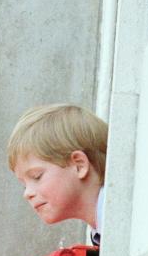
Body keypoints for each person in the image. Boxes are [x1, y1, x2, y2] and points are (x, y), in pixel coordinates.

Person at [7, 103, 108, 245]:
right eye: (24, 185)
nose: (27, 194)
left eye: (37, 176)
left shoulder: (125, 221)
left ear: (79, 165)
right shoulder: (101, 232)